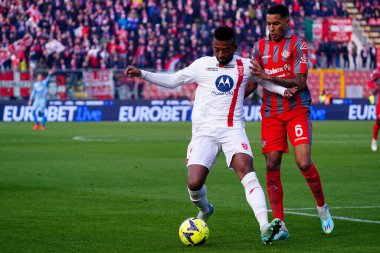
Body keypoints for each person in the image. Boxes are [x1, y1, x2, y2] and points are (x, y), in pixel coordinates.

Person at [125, 26, 297, 245]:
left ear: (234, 47)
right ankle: (205, 210)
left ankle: (264, 226)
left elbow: (264, 81)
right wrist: (143, 74)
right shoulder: (202, 65)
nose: (221, 54)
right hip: (204, 133)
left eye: (225, 50)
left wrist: (284, 91)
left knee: (246, 169)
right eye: (217, 49)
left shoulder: (245, 65)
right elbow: (173, 80)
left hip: (232, 129)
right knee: (194, 183)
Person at [247, 4, 334, 240]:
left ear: (287, 22)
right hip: (271, 112)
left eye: (276, 24)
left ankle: (322, 208)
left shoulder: (298, 44)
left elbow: (300, 81)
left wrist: (268, 76)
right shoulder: (258, 48)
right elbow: (253, 82)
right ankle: (280, 223)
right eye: (268, 24)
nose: (272, 29)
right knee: (272, 163)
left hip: (297, 109)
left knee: (303, 162)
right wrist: (230, 99)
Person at [368, 66, 380, 152]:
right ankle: (374, 140)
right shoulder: (378, 71)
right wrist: (376, 87)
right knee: (379, 121)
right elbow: (369, 82)